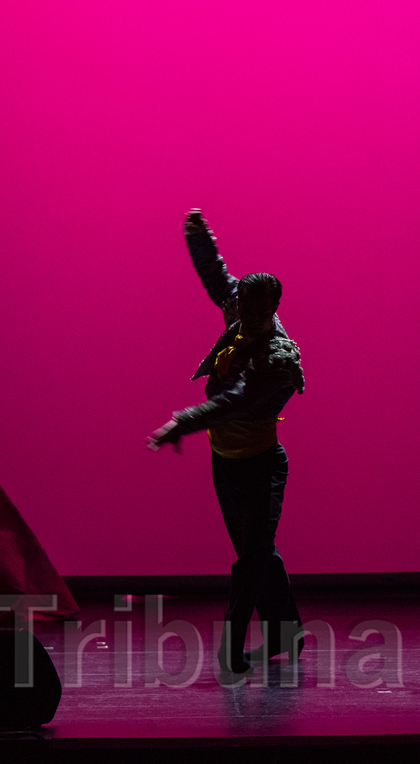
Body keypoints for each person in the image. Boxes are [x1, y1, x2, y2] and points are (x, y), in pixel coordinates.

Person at [148, 209, 305, 675]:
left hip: (261, 464)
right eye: (243, 307)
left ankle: (231, 647)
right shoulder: (238, 309)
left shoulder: (278, 354)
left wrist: (182, 422)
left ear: (274, 309)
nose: (248, 316)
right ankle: (287, 633)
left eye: (259, 311)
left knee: (251, 557)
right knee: (256, 553)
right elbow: (217, 278)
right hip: (226, 459)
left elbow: (235, 400)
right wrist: (198, 235)